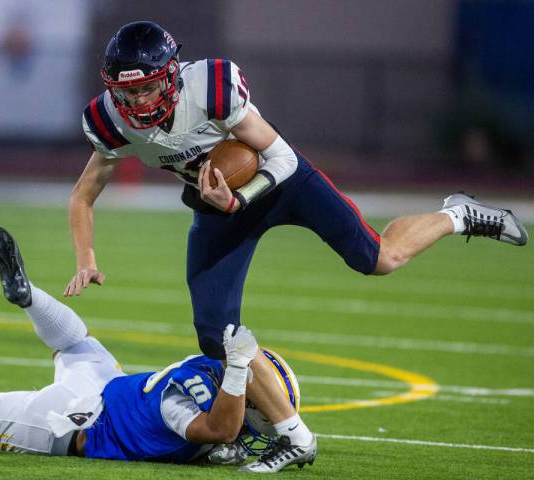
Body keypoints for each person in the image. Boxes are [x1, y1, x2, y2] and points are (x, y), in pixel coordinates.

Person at [65, 21, 529, 471]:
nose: (139, 100)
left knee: (380, 258)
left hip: (282, 182)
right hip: (218, 208)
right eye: (129, 92)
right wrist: (86, 259)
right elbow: (83, 196)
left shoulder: (212, 88)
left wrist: (239, 198)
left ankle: (457, 214)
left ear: (171, 75)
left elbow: (281, 154)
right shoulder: (109, 121)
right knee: (216, 335)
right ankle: (292, 436)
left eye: (148, 88)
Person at [0, 226, 317, 472]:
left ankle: (28, 294)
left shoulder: (207, 366)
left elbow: (231, 408)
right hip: (77, 422)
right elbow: (220, 426)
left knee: (76, 341)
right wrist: (234, 407)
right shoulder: (194, 405)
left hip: (109, 382)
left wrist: (236, 379)